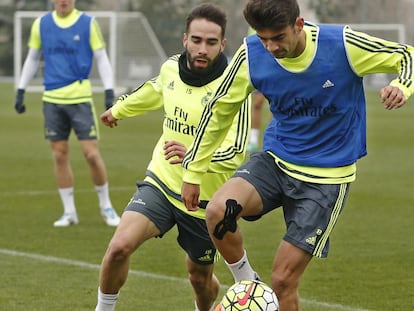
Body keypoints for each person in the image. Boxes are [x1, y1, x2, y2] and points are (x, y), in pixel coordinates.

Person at [181, 0, 414, 310]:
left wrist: (402, 84)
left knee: (283, 282)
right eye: (263, 38)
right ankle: (247, 283)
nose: (270, 46)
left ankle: (265, 293)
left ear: (299, 25)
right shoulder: (252, 53)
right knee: (218, 211)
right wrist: (192, 173)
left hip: (326, 179)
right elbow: (219, 110)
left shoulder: (341, 45)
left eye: (278, 37)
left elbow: (407, 55)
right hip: (276, 161)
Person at [94, 3, 251, 311]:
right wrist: (118, 109)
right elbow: (153, 90)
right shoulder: (171, 68)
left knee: (199, 281)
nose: (201, 48)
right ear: (185, 40)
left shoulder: (234, 86)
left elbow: (236, 152)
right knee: (118, 248)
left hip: (203, 202)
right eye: (196, 40)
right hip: (162, 183)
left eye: (210, 42)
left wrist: (193, 157)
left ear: (222, 44)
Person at [14, 0, 120, 227]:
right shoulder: (41, 24)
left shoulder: (87, 23)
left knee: (91, 154)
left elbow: (101, 57)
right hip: (52, 100)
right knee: (59, 155)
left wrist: (109, 90)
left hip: (80, 99)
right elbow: (33, 58)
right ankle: (69, 212)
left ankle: (106, 206)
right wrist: (21, 89)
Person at [246, 27, 266, 153]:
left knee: (278, 105)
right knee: (257, 103)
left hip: (278, 64)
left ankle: (275, 139)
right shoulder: (254, 24)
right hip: (260, 65)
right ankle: (253, 141)